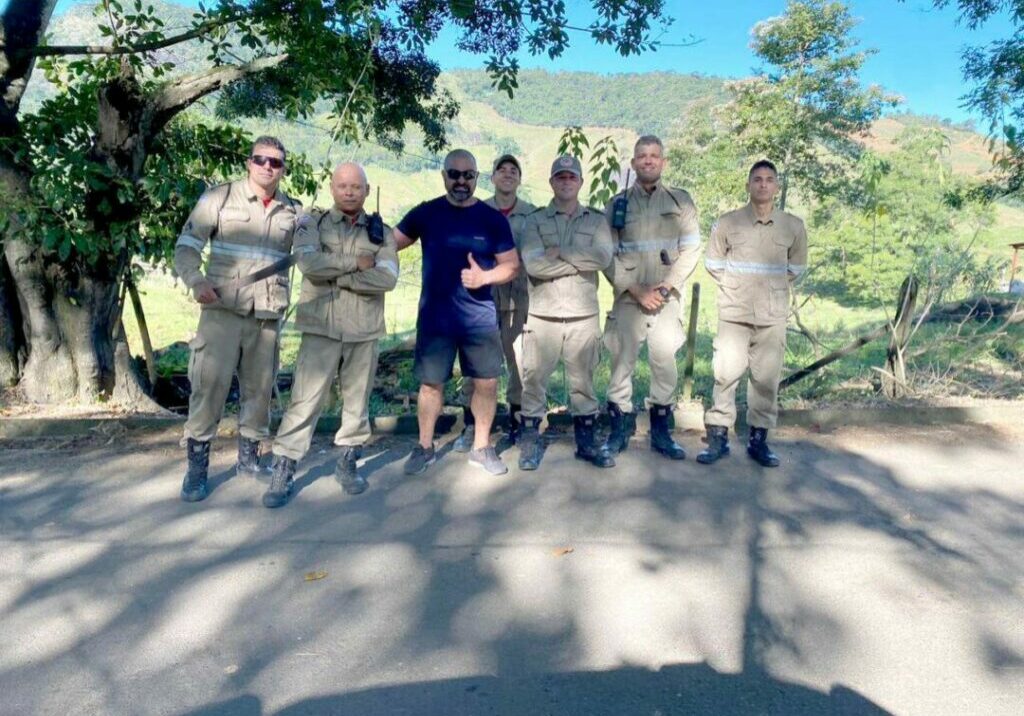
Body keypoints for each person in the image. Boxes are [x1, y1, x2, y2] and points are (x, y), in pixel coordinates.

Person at [261, 162, 399, 508]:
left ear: (367, 191)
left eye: (356, 187)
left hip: (363, 329)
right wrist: (355, 265)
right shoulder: (311, 222)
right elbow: (308, 265)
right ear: (332, 189)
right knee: (305, 400)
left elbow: (388, 279)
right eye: (342, 186)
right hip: (321, 327)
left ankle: (348, 462)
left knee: (357, 402)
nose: (349, 192)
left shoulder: (383, 232)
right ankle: (284, 467)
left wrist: (336, 275)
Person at [175, 136, 301, 503]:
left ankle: (249, 459)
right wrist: (195, 280)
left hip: (265, 316)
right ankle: (197, 469)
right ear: (249, 162)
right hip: (221, 311)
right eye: (260, 159)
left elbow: (311, 249)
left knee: (260, 390)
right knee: (208, 386)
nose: (267, 167)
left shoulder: (292, 210)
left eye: (275, 162)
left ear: (283, 169)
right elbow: (187, 245)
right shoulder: (220, 198)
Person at [394, 149, 520, 476]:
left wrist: (485, 277)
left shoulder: (492, 219)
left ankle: (482, 447)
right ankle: (424, 446)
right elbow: (389, 243)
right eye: (454, 174)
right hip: (436, 319)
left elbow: (511, 266)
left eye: (468, 175)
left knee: (487, 383)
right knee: (430, 385)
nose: (461, 181)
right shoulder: (426, 213)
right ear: (444, 176)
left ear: (477, 178)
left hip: (479, 319)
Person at [697, 160, 808, 467]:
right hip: (734, 313)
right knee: (725, 374)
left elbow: (795, 268)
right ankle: (718, 437)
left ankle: (759, 441)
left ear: (776, 187)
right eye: (757, 179)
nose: (762, 184)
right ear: (748, 185)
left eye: (769, 180)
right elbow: (713, 263)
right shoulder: (728, 222)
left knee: (766, 379)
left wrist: (768, 288)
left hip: (772, 316)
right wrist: (739, 287)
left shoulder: (792, 226)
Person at [602, 135, 702, 460]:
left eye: (654, 156)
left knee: (665, 364)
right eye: (642, 156)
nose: (648, 161)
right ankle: (619, 430)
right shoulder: (617, 205)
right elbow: (606, 254)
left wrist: (664, 287)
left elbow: (691, 250)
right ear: (633, 163)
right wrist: (634, 289)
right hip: (630, 298)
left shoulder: (680, 202)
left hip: (665, 298)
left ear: (663, 162)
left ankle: (661, 432)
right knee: (621, 364)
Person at [517, 155, 616, 471]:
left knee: (583, 383)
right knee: (533, 381)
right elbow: (534, 264)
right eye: (560, 177)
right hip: (543, 316)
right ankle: (531, 441)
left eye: (571, 177)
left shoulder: (596, 220)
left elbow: (602, 258)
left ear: (580, 182)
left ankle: (586, 442)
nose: (565, 181)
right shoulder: (535, 221)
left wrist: (560, 253)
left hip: (582, 317)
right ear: (551, 182)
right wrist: (578, 261)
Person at [453, 154, 536, 451]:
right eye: (502, 170)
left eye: (514, 170)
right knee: (475, 367)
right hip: (481, 300)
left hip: (518, 299)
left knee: (519, 365)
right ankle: (471, 425)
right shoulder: (477, 210)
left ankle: (517, 423)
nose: (508, 174)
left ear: (519, 179)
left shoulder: (531, 214)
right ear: (492, 177)